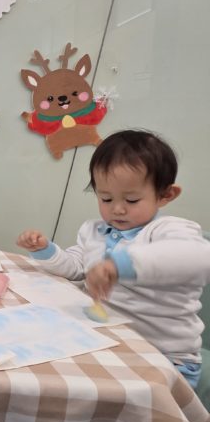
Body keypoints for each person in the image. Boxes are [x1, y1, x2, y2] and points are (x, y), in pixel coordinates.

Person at [16, 130, 210, 388]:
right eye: (106, 198)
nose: (117, 209)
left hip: (164, 356)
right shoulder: (94, 230)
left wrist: (121, 265)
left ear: (165, 195)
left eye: (132, 199)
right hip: (106, 340)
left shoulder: (170, 230)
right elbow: (76, 268)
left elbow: (197, 257)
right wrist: (46, 251)